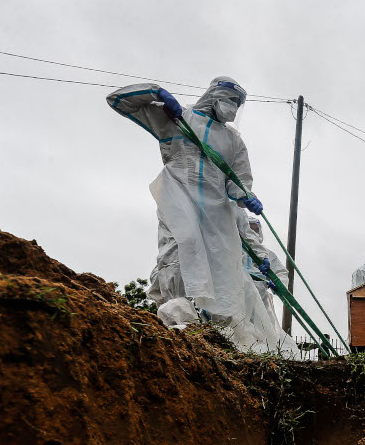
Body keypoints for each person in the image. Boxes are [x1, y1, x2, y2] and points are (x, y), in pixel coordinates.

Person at [107, 77, 285, 353]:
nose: (233, 109)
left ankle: (215, 335)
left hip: (216, 213)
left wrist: (246, 196)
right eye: (230, 100)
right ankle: (178, 324)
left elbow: (238, 181)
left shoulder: (233, 140)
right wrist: (156, 93)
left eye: (238, 104)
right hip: (178, 198)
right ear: (214, 95)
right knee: (180, 251)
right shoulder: (177, 120)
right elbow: (118, 101)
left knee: (222, 270)